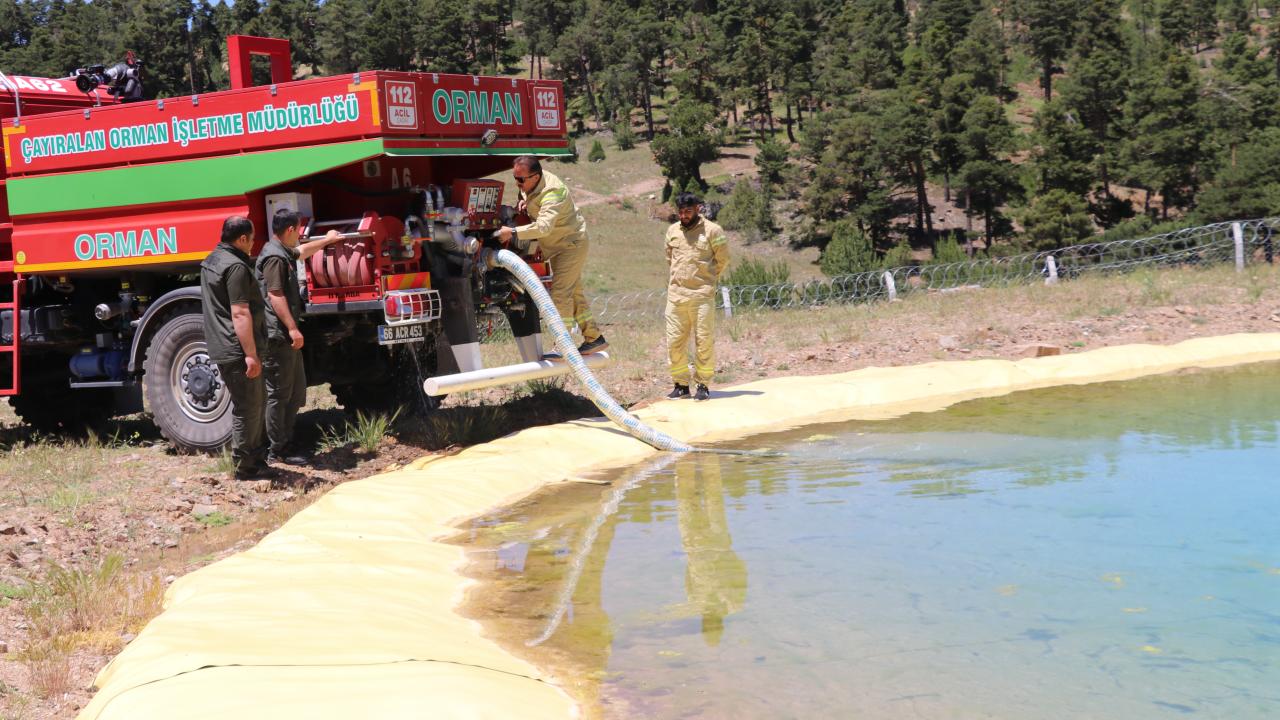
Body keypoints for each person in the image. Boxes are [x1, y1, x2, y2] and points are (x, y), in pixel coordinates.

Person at [495, 156, 607, 356]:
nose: (517, 183)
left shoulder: (552, 191)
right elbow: (526, 197)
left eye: (521, 180)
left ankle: (563, 345)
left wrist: (512, 232)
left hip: (570, 245)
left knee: (560, 293)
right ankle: (594, 337)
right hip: (557, 247)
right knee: (574, 293)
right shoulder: (529, 183)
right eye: (515, 177)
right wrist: (523, 203)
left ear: (536, 176)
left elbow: (544, 227)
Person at [256, 209, 343, 465]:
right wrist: (292, 328)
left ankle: (286, 442)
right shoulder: (274, 257)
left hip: (284, 334)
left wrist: (327, 240)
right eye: (299, 230)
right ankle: (276, 451)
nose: (300, 235)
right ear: (291, 229)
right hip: (277, 335)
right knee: (279, 393)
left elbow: (301, 252)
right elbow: (275, 295)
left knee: (294, 392)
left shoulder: (282, 251)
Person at [200, 216, 272, 480]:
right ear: (242, 239)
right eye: (252, 239)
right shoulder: (236, 267)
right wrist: (251, 355)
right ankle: (246, 466)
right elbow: (240, 313)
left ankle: (254, 459)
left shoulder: (213, 259)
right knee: (249, 406)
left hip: (222, 344)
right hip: (237, 349)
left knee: (253, 403)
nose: (253, 244)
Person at [664, 192, 728, 401]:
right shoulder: (672, 231)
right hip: (676, 296)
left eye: (688, 211)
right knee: (674, 342)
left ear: (698, 209)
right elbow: (669, 258)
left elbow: (723, 260)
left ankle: (703, 385)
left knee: (703, 341)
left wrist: (707, 281)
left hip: (702, 296)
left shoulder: (713, 231)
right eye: (680, 212)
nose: (683, 215)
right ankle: (681, 385)